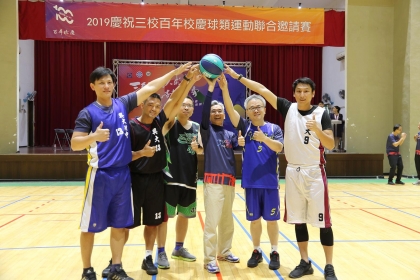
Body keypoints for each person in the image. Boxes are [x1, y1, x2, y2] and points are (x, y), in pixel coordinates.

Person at [71, 65, 187, 280]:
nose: (106, 86)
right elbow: (75, 144)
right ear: (93, 86)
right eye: (101, 83)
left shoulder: (122, 103)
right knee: (89, 226)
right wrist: (92, 137)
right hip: (100, 175)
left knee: (119, 224)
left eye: (109, 82)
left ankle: (116, 267)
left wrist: (174, 73)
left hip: (124, 174)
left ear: (114, 85)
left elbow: (152, 86)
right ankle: (87, 270)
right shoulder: (88, 112)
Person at [224, 65, 338, 280]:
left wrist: (317, 131)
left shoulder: (322, 114)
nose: (302, 94)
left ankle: (329, 265)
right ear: (294, 94)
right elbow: (262, 89)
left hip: (314, 173)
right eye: (299, 91)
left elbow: (330, 144)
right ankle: (305, 262)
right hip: (293, 172)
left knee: (324, 223)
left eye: (306, 91)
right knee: (299, 220)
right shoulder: (288, 108)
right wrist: (237, 76)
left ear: (313, 93)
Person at [220, 73, 283, 270]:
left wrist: (264, 138)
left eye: (258, 107)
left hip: (270, 182)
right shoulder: (244, 127)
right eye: (251, 108)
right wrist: (224, 89)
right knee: (254, 220)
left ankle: (274, 251)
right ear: (247, 112)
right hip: (250, 182)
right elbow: (230, 111)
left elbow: (279, 148)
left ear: (265, 109)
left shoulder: (274, 128)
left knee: (272, 220)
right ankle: (257, 250)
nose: (255, 110)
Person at [154, 72, 204, 269]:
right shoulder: (169, 123)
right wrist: (189, 81)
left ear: (193, 110)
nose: (186, 107)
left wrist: (198, 149)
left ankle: (178, 248)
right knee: (166, 218)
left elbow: (201, 150)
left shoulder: (197, 127)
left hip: (189, 179)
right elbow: (172, 105)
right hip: (169, 178)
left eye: (189, 105)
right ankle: (160, 252)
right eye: (183, 104)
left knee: (185, 216)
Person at [201, 76, 242, 274]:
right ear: (209, 115)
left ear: (225, 115)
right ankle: (209, 259)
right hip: (213, 184)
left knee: (227, 221)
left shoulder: (230, 135)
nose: (217, 113)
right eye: (214, 111)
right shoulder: (206, 131)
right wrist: (211, 89)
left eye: (220, 111)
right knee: (212, 222)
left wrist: (241, 143)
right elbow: (204, 113)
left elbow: (240, 140)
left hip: (230, 184)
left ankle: (224, 251)